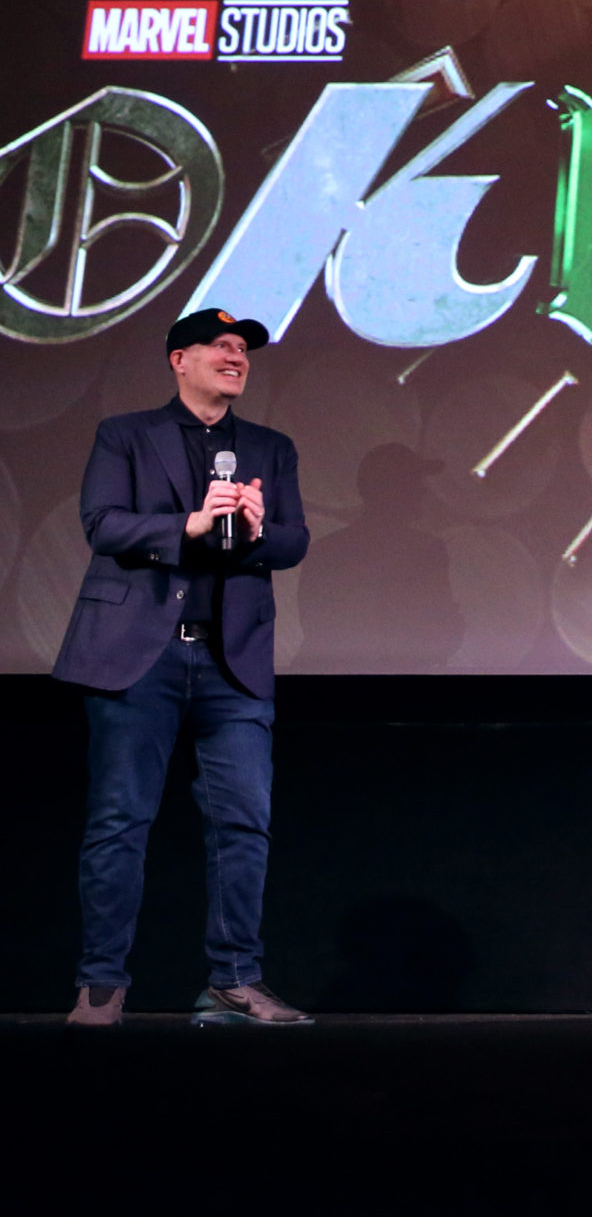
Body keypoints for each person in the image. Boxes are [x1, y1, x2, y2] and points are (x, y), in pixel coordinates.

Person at [56, 308, 311, 1027]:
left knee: (243, 823)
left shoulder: (269, 447)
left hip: (233, 662)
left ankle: (235, 979)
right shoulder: (126, 434)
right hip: (139, 657)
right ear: (179, 360)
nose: (236, 356)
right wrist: (190, 525)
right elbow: (102, 523)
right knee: (120, 821)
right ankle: (101, 984)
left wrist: (256, 531)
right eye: (219, 345)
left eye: (243, 349)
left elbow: (294, 540)